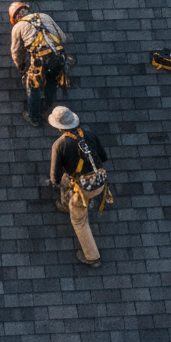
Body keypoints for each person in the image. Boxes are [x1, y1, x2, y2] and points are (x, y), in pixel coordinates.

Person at [48, 107, 109, 268]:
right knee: (66, 179)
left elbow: (54, 178)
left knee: (79, 221)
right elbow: (103, 157)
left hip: (83, 189)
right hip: (99, 182)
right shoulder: (89, 134)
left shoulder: (59, 144)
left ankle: (92, 257)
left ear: (59, 127)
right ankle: (65, 204)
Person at [9, 2, 71, 126]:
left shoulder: (18, 27)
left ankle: (34, 117)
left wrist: (22, 67)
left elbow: (16, 52)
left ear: (15, 18)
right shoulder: (45, 16)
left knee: (33, 86)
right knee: (52, 80)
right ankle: (49, 108)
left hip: (41, 61)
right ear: (27, 9)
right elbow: (63, 38)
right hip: (59, 58)